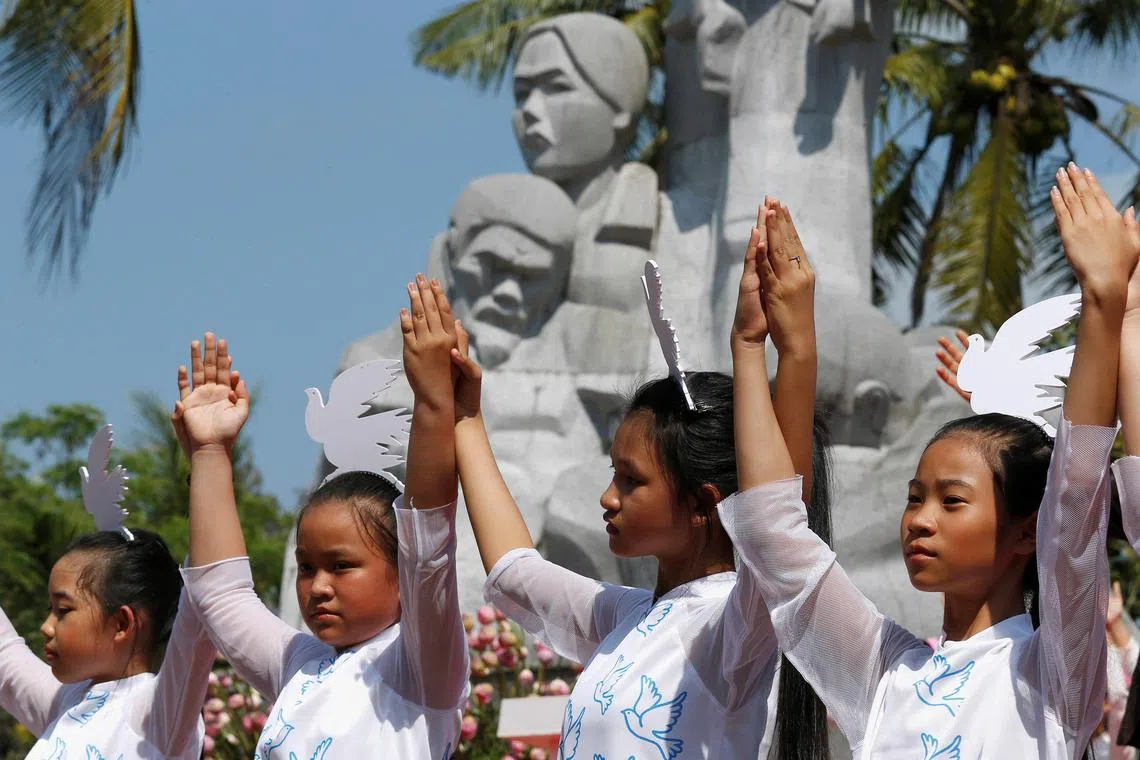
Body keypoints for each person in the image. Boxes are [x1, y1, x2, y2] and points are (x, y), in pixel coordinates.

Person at [721, 163, 1132, 758]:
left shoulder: (1052, 674)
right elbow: (774, 533)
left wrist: (1105, 299)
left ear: (1027, 531)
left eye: (952, 499)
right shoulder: (882, 675)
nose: (919, 518)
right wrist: (761, 348)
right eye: (915, 497)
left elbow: (1074, 500)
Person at [439, 198, 834, 758]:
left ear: (704, 503)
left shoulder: (732, 629)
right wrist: (463, 415)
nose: (608, 497)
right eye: (613, 474)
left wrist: (777, 349)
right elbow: (513, 571)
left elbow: (777, 526)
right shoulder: (625, 618)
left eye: (631, 480)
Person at [173, 317, 467, 759]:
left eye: (342, 565)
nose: (318, 587)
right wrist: (211, 451)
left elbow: (429, 545)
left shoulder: (420, 669)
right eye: (307, 567)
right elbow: (221, 594)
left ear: (403, 572)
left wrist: (433, 400)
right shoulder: (301, 666)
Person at [0, 515, 214, 758]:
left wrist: (208, 479)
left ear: (122, 623)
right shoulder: (67, 703)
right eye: (50, 610)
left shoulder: (156, 712)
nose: (46, 627)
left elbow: (204, 594)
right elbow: (4, 652)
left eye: (63, 610)